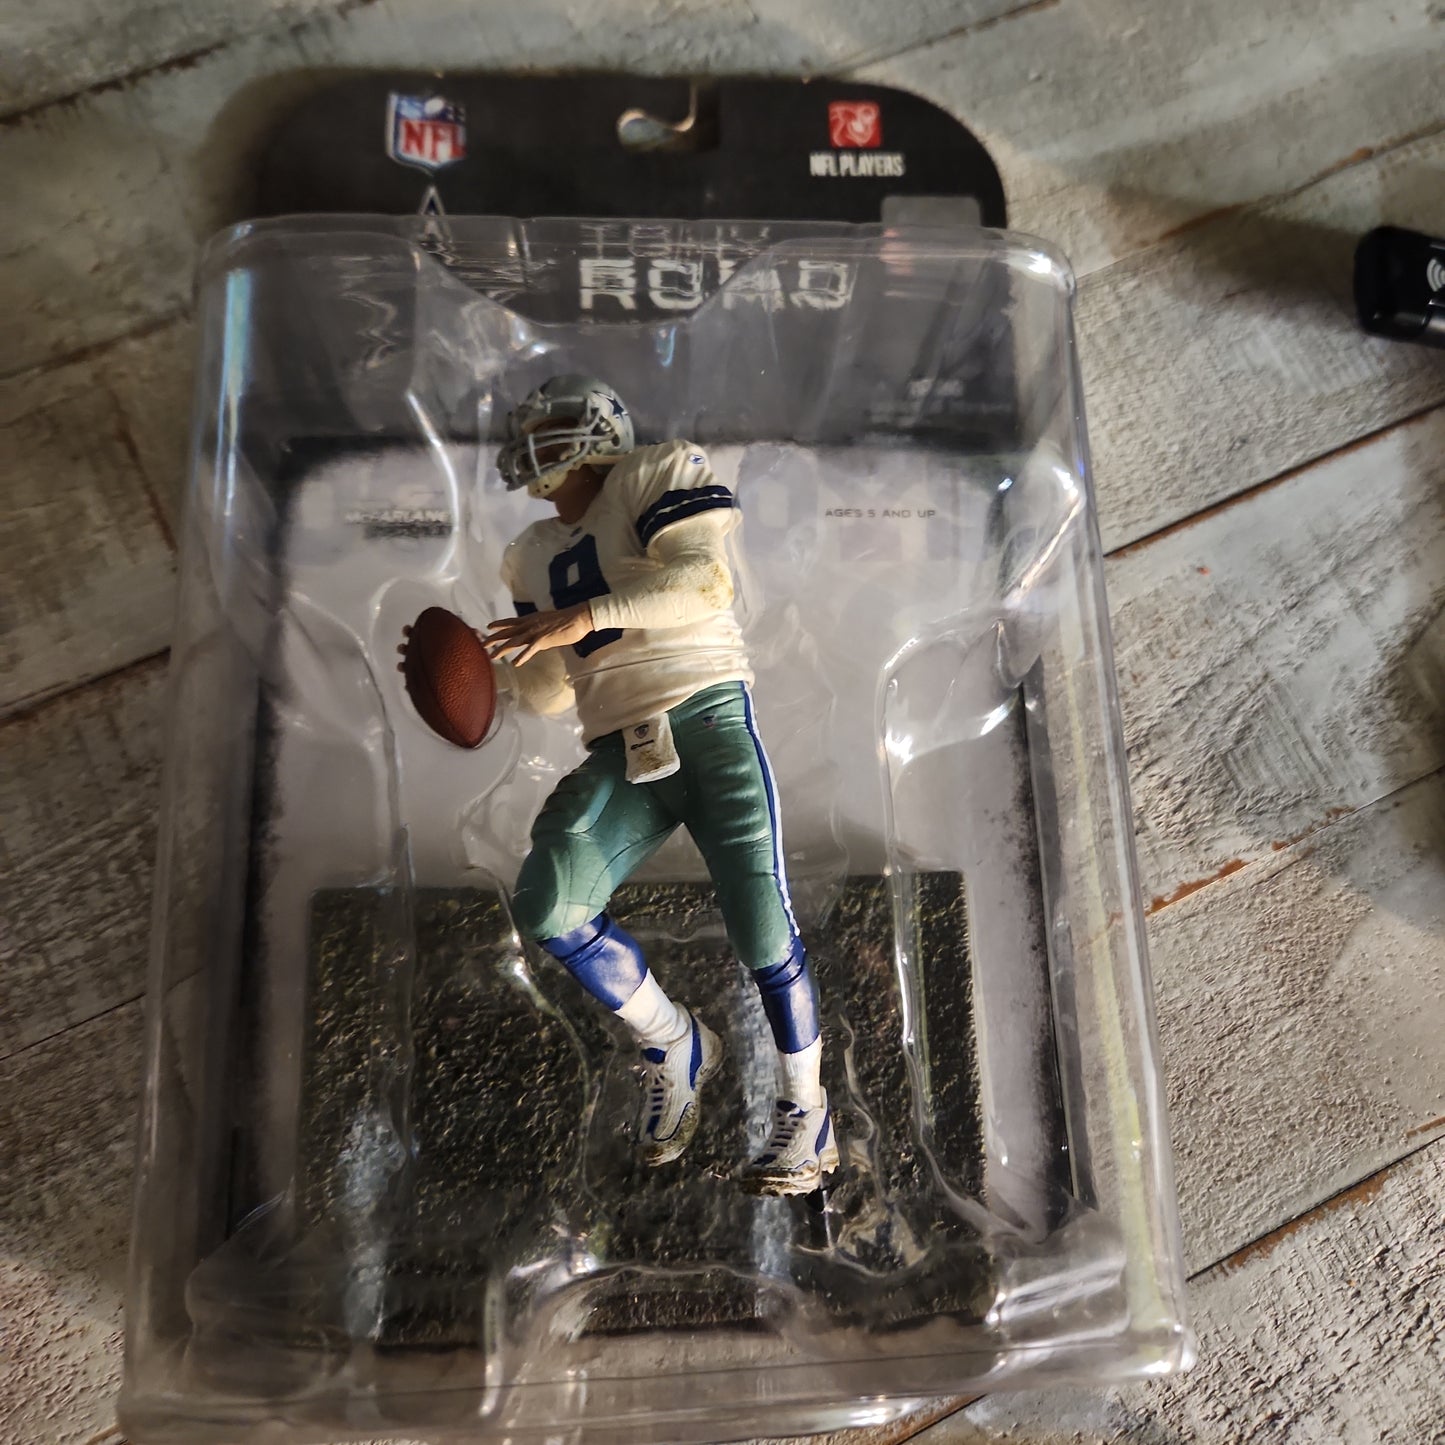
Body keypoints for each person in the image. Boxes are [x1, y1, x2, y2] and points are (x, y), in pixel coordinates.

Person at [483, 374, 835, 1195]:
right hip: (619, 744)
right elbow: (550, 690)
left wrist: (579, 617)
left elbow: (704, 582)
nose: (537, 439)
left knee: (760, 920)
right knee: (549, 901)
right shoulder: (530, 552)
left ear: (603, 427)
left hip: (704, 713)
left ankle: (807, 1109)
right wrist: (477, 672)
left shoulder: (651, 474)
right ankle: (673, 1040)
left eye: (555, 422)